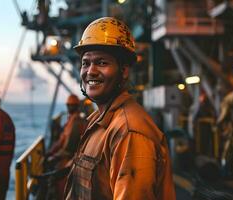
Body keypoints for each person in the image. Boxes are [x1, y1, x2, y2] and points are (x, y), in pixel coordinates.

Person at [64, 17, 175, 200]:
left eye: (101, 63)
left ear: (124, 71)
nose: (90, 71)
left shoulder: (130, 131)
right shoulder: (98, 120)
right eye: (86, 63)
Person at [45, 94, 87, 200]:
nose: (69, 108)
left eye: (70, 105)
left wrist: (53, 155)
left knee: (55, 177)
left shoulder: (77, 122)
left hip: (69, 159)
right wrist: (51, 152)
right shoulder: (71, 120)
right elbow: (61, 141)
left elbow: (69, 147)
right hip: (67, 156)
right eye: (69, 105)